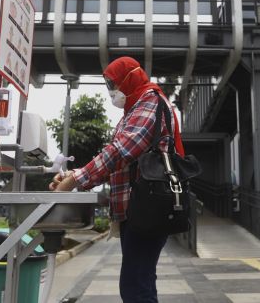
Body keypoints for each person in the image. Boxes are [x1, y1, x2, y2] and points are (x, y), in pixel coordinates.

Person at [50, 56, 185, 302]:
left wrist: (77, 178)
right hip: (138, 209)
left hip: (147, 207)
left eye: (114, 84)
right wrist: (73, 175)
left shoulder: (150, 101)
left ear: (130, 79)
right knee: (139, 282)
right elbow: (117, 159)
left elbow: (123, 149)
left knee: (136, 287)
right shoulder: (134, 109)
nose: (112, 91)